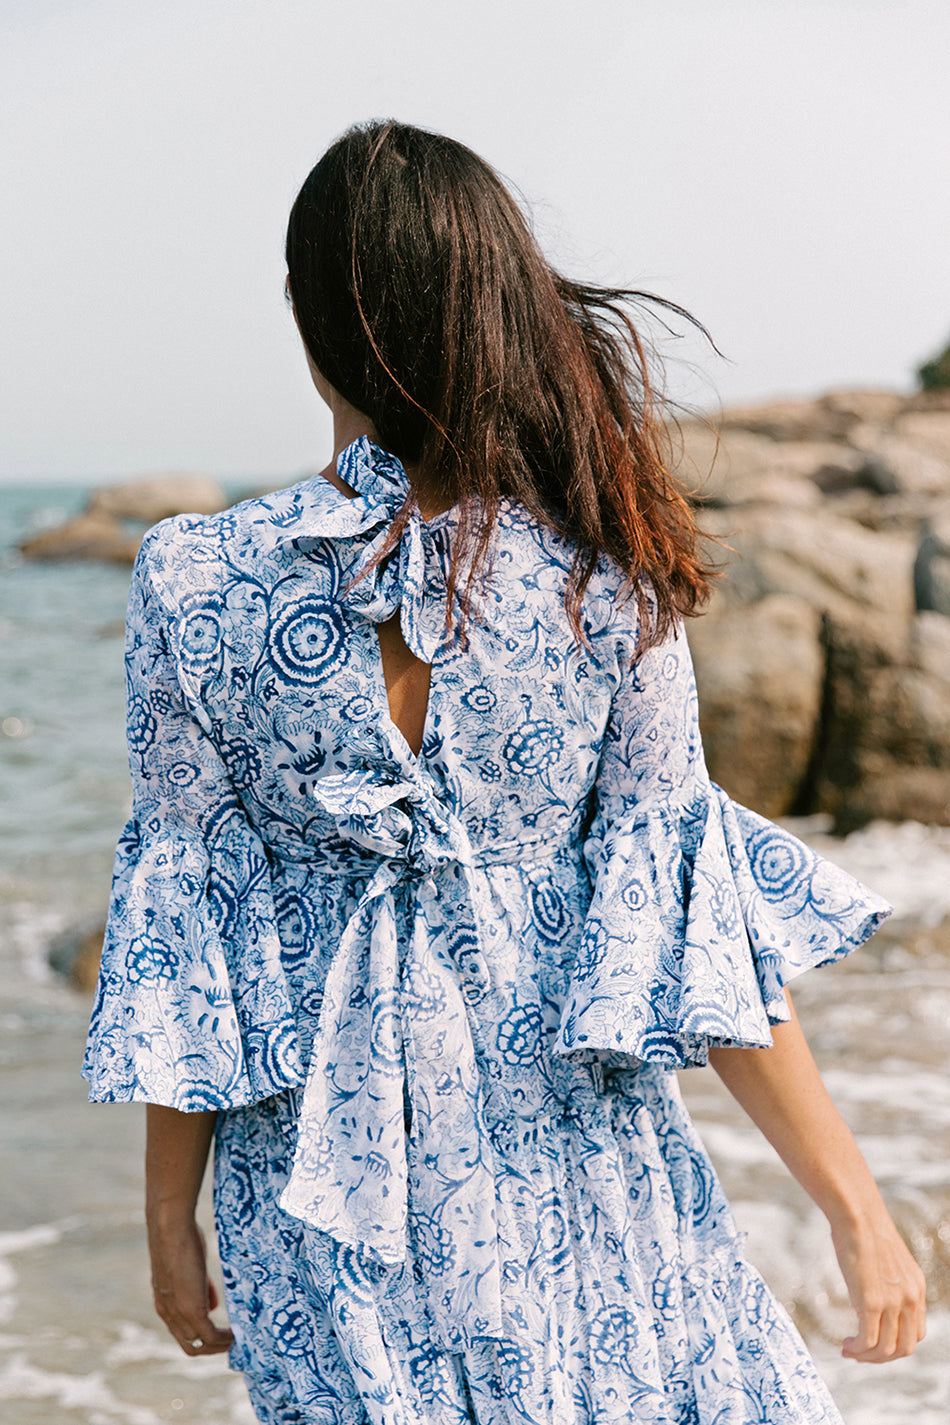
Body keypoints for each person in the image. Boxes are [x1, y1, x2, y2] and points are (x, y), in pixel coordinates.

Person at [83, 119, 926, 1425]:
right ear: (498, 312)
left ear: (305, 311)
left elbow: (188, 928)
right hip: (577, 1168)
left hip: (315, 1185)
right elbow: (692, 934)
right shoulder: (608, 577)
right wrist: (852, 1207)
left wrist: (165, 1214)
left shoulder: (192, 577)